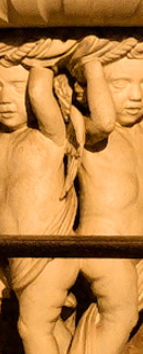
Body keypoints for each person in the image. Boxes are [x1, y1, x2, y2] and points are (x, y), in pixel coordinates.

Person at [68, 37, 143, 354]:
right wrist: (92, 66)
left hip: (134, 245)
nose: (136, 96)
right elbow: (104, 121)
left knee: (110, 317)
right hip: (102, 241)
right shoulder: (89, 131)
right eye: (119, 85)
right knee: (122, 315)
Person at [0, 53, 78, 354]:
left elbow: (38, 91)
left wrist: (41, 55)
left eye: (15, 86)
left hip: (46, 255)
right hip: (12, 258)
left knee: (32, 328)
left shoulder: (49, 136)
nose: (4, 99)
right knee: (48, 328)